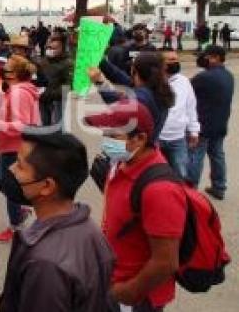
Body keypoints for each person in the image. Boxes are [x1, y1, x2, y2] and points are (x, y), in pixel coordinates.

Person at [0, 132, 116, 312]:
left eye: (20, 166)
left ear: (47, 186)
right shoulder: (88, 229)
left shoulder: (45, 264)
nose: (11, 171)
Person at [85, 101, 186, 312]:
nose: (106, 141)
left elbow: (166, 261)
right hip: (116, 279)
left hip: (136, 293)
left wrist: (127, 292)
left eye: (112, 135)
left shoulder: (160, 190)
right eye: (104, 134)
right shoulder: (121, 165)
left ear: (140, 138)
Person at [0, 55, 41, 243]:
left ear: (16, 73)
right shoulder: (15, 90)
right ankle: (20, 208)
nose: (3, 69)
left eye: (7, 67)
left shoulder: (19, 92)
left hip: (15, 147)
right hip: (7, 146)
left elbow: (22, 125)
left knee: (10, 187)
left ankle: (15, 227)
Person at [91, 51, 175, 141]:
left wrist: (99, 82)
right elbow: (119, 76)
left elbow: (116, 103)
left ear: (135, 72)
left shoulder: (141, 98)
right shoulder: (159, 88)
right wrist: (102, 61)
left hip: (136, 149)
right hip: (147, 145)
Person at [188, 45, 234, 200]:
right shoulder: (228, 75)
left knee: (196, 156)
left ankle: (190, 189)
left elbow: (186, 91)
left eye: (206, 57)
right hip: (220, 123)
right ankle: (219, 186)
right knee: (217, 155)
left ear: (215, 57)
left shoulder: (204, 77)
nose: (203, 59)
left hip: (203, 124)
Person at [158, 50, 200, 180]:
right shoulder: (153, 82)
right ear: (160, 63)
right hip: (156, 138)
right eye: (170, 60)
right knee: (158, 174)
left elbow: (191, 107)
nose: (175, 62)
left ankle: (180, 198)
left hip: (178, 138)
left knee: (180, 173)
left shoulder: (184, 81)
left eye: (176, 59)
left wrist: (194, 131)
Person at [38, 35, 72, 128]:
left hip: (57, 102)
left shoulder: (67, 63)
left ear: (62, 48)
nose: (50, 50)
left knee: (56, 128)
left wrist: (51, 94)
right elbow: (39, 79)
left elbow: (68, 85)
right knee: (45, 126)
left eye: (54, 48)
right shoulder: (43, 62)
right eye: (49, 47)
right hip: (43, 100)